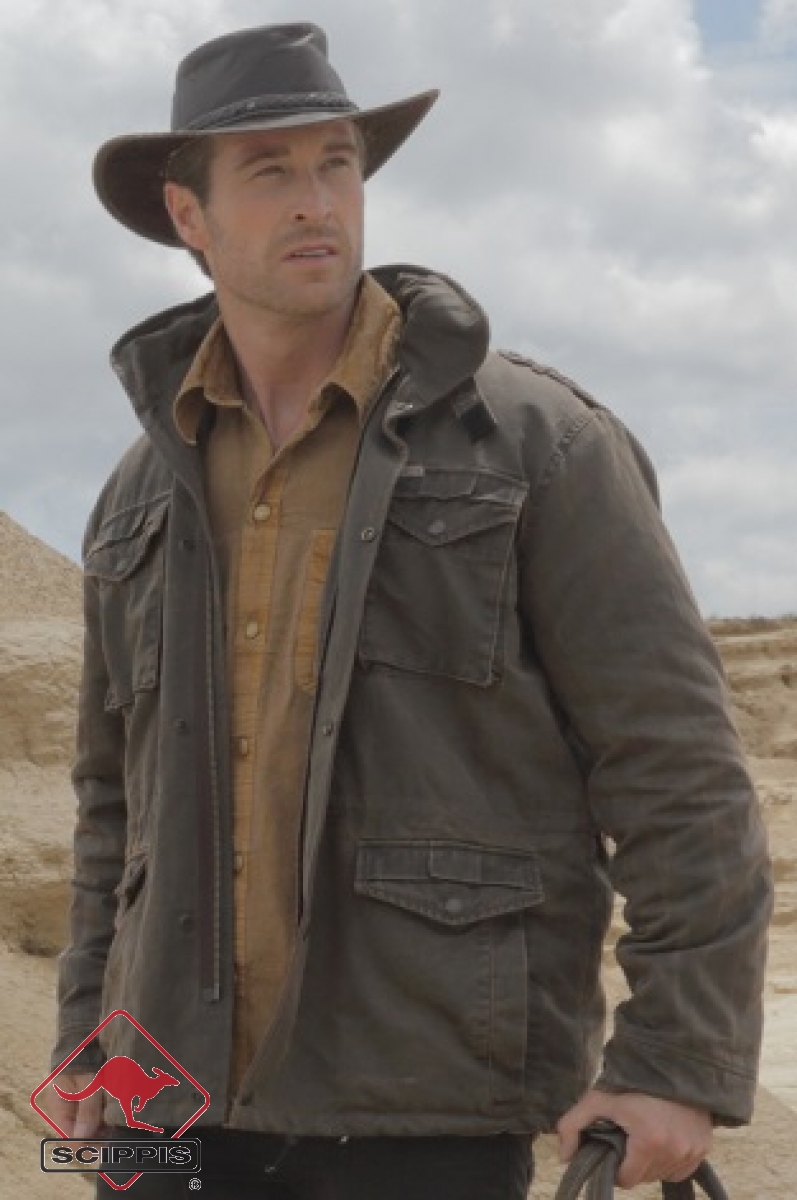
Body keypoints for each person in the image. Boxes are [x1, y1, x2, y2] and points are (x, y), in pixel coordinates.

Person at [45, 22, 772, 1199]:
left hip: (421, 1106)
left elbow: (673, 767)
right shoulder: (142, 488)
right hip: (160, 1111)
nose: (314, 200)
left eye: (335, 163)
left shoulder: (536, 444)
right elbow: (109, 806)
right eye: (268, 171)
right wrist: (89, 1036)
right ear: (188, 215)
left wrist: (674, 1061)